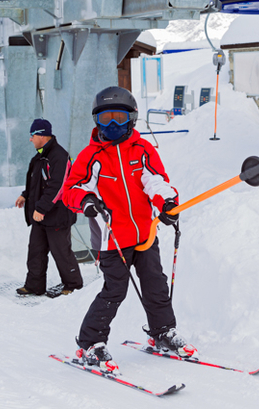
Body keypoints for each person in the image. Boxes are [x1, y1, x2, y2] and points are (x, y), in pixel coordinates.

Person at [62, 86, 197, 373]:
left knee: (155, 285)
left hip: (144, 235)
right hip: (112, 238)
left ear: (131, 119)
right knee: (114, 291)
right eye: (105, 118)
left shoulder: (143, 150)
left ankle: (162, 331)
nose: (112, 125)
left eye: (119, 117)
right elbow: (71, 190)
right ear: (96, 121)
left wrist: (166, 201)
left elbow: (156, 181)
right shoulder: (91, 156)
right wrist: (86, 200)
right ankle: (91, 343)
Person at [15, 118, 83, 296]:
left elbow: (58, 186)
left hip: (57, 214)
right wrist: (25, 195)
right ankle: (34, 285)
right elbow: (36, 181)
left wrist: (42, 208)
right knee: (36, 251)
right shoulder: (41, 155)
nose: (30, 139)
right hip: (42, 214)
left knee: (61, 252)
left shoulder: (59, 156)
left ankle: (73, 284)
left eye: (32, 135)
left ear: (41, 135)